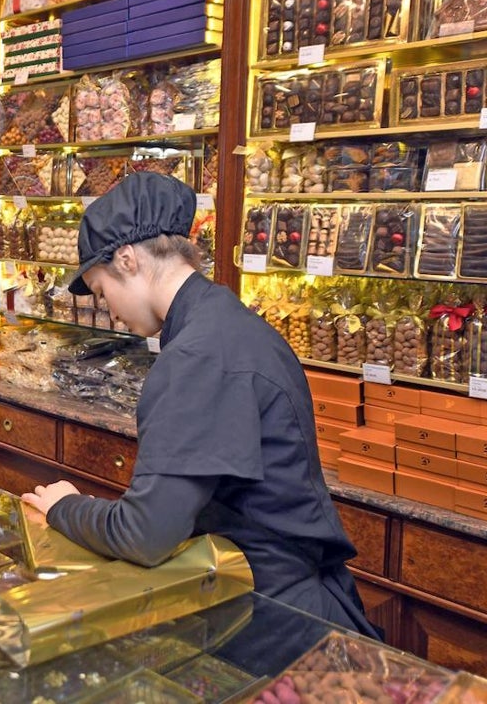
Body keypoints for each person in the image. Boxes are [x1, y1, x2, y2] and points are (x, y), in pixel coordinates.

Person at [20, 172, 378, 638]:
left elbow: (144, 534)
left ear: (127, 260)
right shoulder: (232, 324)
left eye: (104, 292)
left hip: (271, 616)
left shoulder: (197, 356)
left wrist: (66, 507)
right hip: (281, 593)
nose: (109, 311)